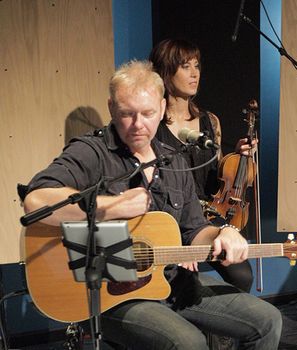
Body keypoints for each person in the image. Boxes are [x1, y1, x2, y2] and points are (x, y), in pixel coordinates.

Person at [23, 60, 281, 350]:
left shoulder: (174, 161)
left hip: (172, 283)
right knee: (188, 343)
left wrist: (222, 234)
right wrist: (112, 206)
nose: (138, 125)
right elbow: (36, 201)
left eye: (147, 114)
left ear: (161, 107)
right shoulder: (91, 152)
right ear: (111, 108)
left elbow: (194, 229)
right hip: (111, 294)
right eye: (126, 114)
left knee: (267, 320)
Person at [150, 38, 254, 292]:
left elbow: (216, 174)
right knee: (182, 282)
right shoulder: (152, 125)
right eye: (185, 66)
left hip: (206, 216)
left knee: (242, 275)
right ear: (165, 72)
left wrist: (240, 157)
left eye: (197, 65)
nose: (194, 73)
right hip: (171, 218)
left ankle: (223, 326)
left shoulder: (211, 121)